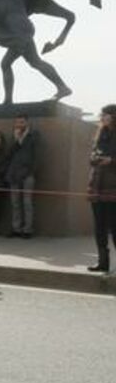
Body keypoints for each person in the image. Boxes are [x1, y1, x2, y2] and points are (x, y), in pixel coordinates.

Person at [87, 104, 116, 273]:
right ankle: (103, 262)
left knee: (115, 227)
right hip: (97, 186)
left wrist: (111, 160)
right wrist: (94, 158)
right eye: (102, 114)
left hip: (113, 188)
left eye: (106, 114)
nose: (102, 117)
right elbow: (92, 158)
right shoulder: (100, 134)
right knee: (99, 227)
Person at [6, 113, 38, 238]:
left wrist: (31, 171)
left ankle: (27, 229)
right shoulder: (14, 136)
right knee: (15, 203)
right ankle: (16, 228)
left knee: (27, 203)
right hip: (14, 174)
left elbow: (35, 155)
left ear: (27, 123)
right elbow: (9, 154)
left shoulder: (33, 135)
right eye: (17, 122)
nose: (19, 125)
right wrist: (16, 141)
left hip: (27, 174)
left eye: (22, 122)